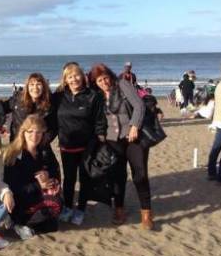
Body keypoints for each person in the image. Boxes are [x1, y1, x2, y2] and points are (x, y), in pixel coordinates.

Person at [89, 63, 154, 230]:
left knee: (140, 175)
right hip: (112, 140)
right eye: (99, 80)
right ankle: (119, 209)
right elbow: (97, 118)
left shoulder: (122, 85)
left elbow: (139, 106)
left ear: (110, 76)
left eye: (105, 78)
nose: (104, 82)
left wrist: (134, 126)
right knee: (117, 177)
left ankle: (146, 213)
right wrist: (101, 134)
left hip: (133, 138)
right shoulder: (97, 95)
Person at [52, 63, 107, 225]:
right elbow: (44, 110)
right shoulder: (59, 96)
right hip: (66, 145)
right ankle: (68, 207)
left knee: (85, 179)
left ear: (82, 76)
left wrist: (101, 136)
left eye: (76, 75)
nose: (74, 79)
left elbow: (100, 120)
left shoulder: (92, 95)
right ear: (65, 80)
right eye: (70, 76)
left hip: (87, 146)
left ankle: (81, 209)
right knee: (68, 179)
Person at [4, 115, 62, 240]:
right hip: (20, 200)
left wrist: (48, 175)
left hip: (37, 195)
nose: (34, 136)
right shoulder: (15, 154)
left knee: (53, 225)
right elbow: (13, 187)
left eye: (38, 132)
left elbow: (55, 170)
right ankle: (18, 222)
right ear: (23, 132)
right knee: (54, 205)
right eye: (30, 131)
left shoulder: (44, 150)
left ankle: (25, 225)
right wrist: (38, 185)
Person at [3, 73, 56, 144]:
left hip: (40, 148)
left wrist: (41, 143)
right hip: (18, 146)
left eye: (39, 84)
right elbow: (0, 109)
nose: (35, 88)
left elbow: (52, 129)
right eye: (32, 84)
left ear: (43, 87)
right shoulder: (17, 100)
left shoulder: (49, 105)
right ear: (27, 87)